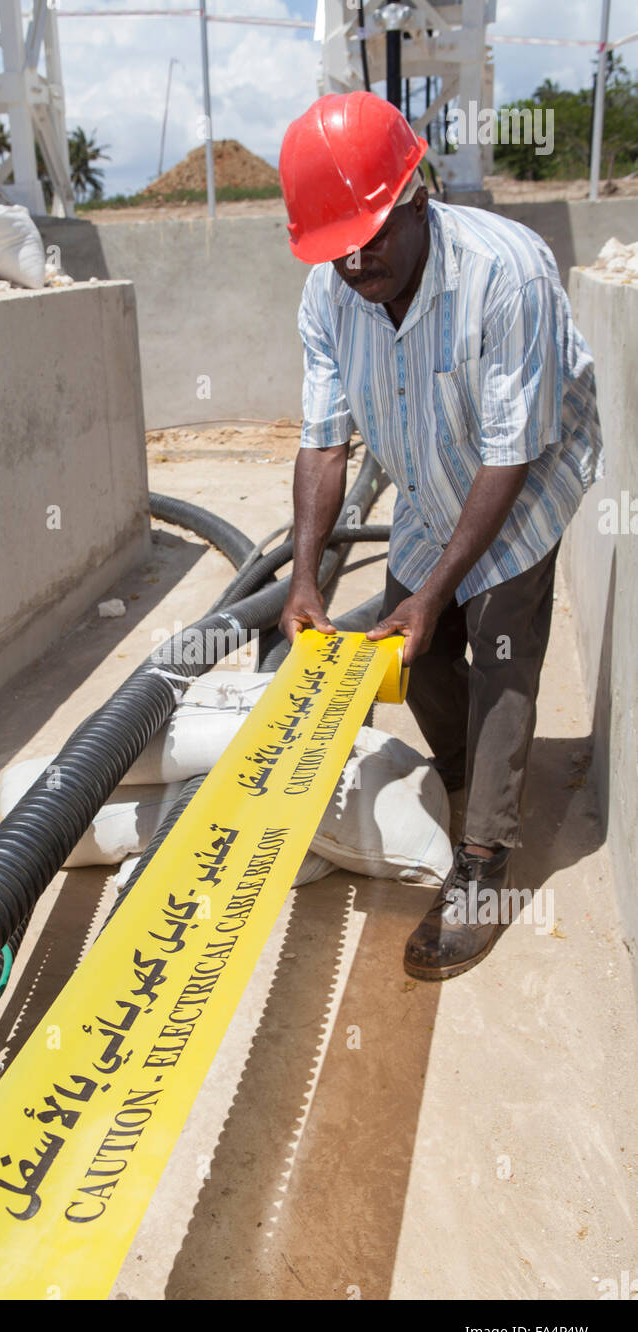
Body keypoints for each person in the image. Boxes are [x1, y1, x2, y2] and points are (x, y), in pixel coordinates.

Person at [277, 90, 604, 981]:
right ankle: (469, 778)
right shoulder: (328, 297)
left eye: (371, 237)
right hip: (428, 479)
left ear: (416, 193)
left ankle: (487, 863)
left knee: (499, 643)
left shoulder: (508, 275)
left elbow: (506, 456)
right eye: (335, 249)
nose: (354, 262)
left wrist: (437, 593)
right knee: (414, 655)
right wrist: (307, 576)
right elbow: (322, 440)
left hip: (523, 475)